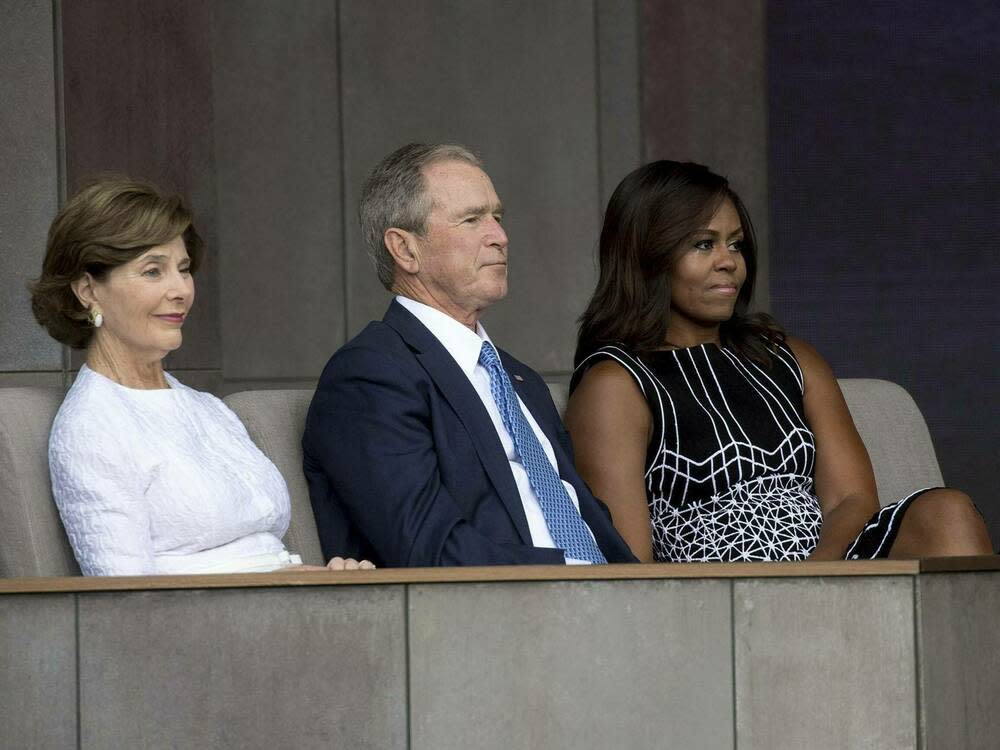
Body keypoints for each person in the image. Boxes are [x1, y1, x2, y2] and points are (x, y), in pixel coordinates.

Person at [565, 160, 993, 563]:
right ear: (647, 256)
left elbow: (852, 500)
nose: (729, 262)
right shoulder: (615, 384)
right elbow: (630, 569)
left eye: (735, 244)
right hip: (718, 601)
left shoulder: (786, 356)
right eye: (702, 244)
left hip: (834, 572)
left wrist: (810, 582)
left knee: (947, 510)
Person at [303, 143, 636, 567]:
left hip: (611, 603)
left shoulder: (520, 380)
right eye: (471, 219)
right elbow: (430, 552)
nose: (500, 236)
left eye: (497, 217)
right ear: (406, 250)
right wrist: (576, 577)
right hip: (504, 615)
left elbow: (589, 523)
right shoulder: (371, 376)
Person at [31, 177, 374, 575]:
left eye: (183, 269)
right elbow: (122, 606)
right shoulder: (91, 429)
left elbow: (261, 558)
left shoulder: (206, 408)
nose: (181, 290)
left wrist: (327, 582)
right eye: (152, 272)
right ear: (88, 290)